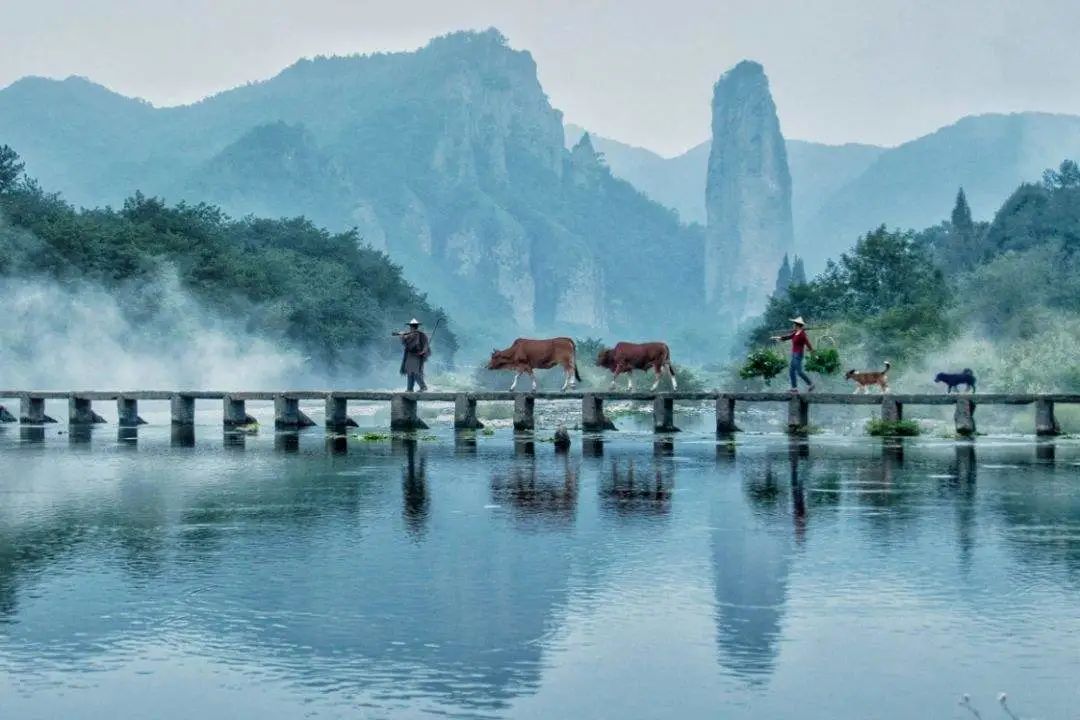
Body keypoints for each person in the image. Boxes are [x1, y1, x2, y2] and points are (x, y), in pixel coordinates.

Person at [772, 316, 815, 393]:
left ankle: (810, 384)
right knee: (791, 371)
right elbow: (787, 337)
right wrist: (778, 338)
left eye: (794, 324)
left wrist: (811, 350)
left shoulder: (802, 334)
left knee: (799, 371)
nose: (793, 325)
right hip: (794, 354)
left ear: (797, 325)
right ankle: (794, 388)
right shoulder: (795, 333)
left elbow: (807, 342)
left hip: (798, 354)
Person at [395, 319, 430, 392]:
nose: (412, 327)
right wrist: (403, 337)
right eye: (412, 326)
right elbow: (407, 344)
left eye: (413, 326)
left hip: (416, 355)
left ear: (414, 326)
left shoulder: (418, 334)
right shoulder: (411, 334)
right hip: (410, 355)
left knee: (415, 372)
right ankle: (410, 388)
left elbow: (420, 345)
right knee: (409, 372)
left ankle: (423, 387)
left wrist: (403, 338)